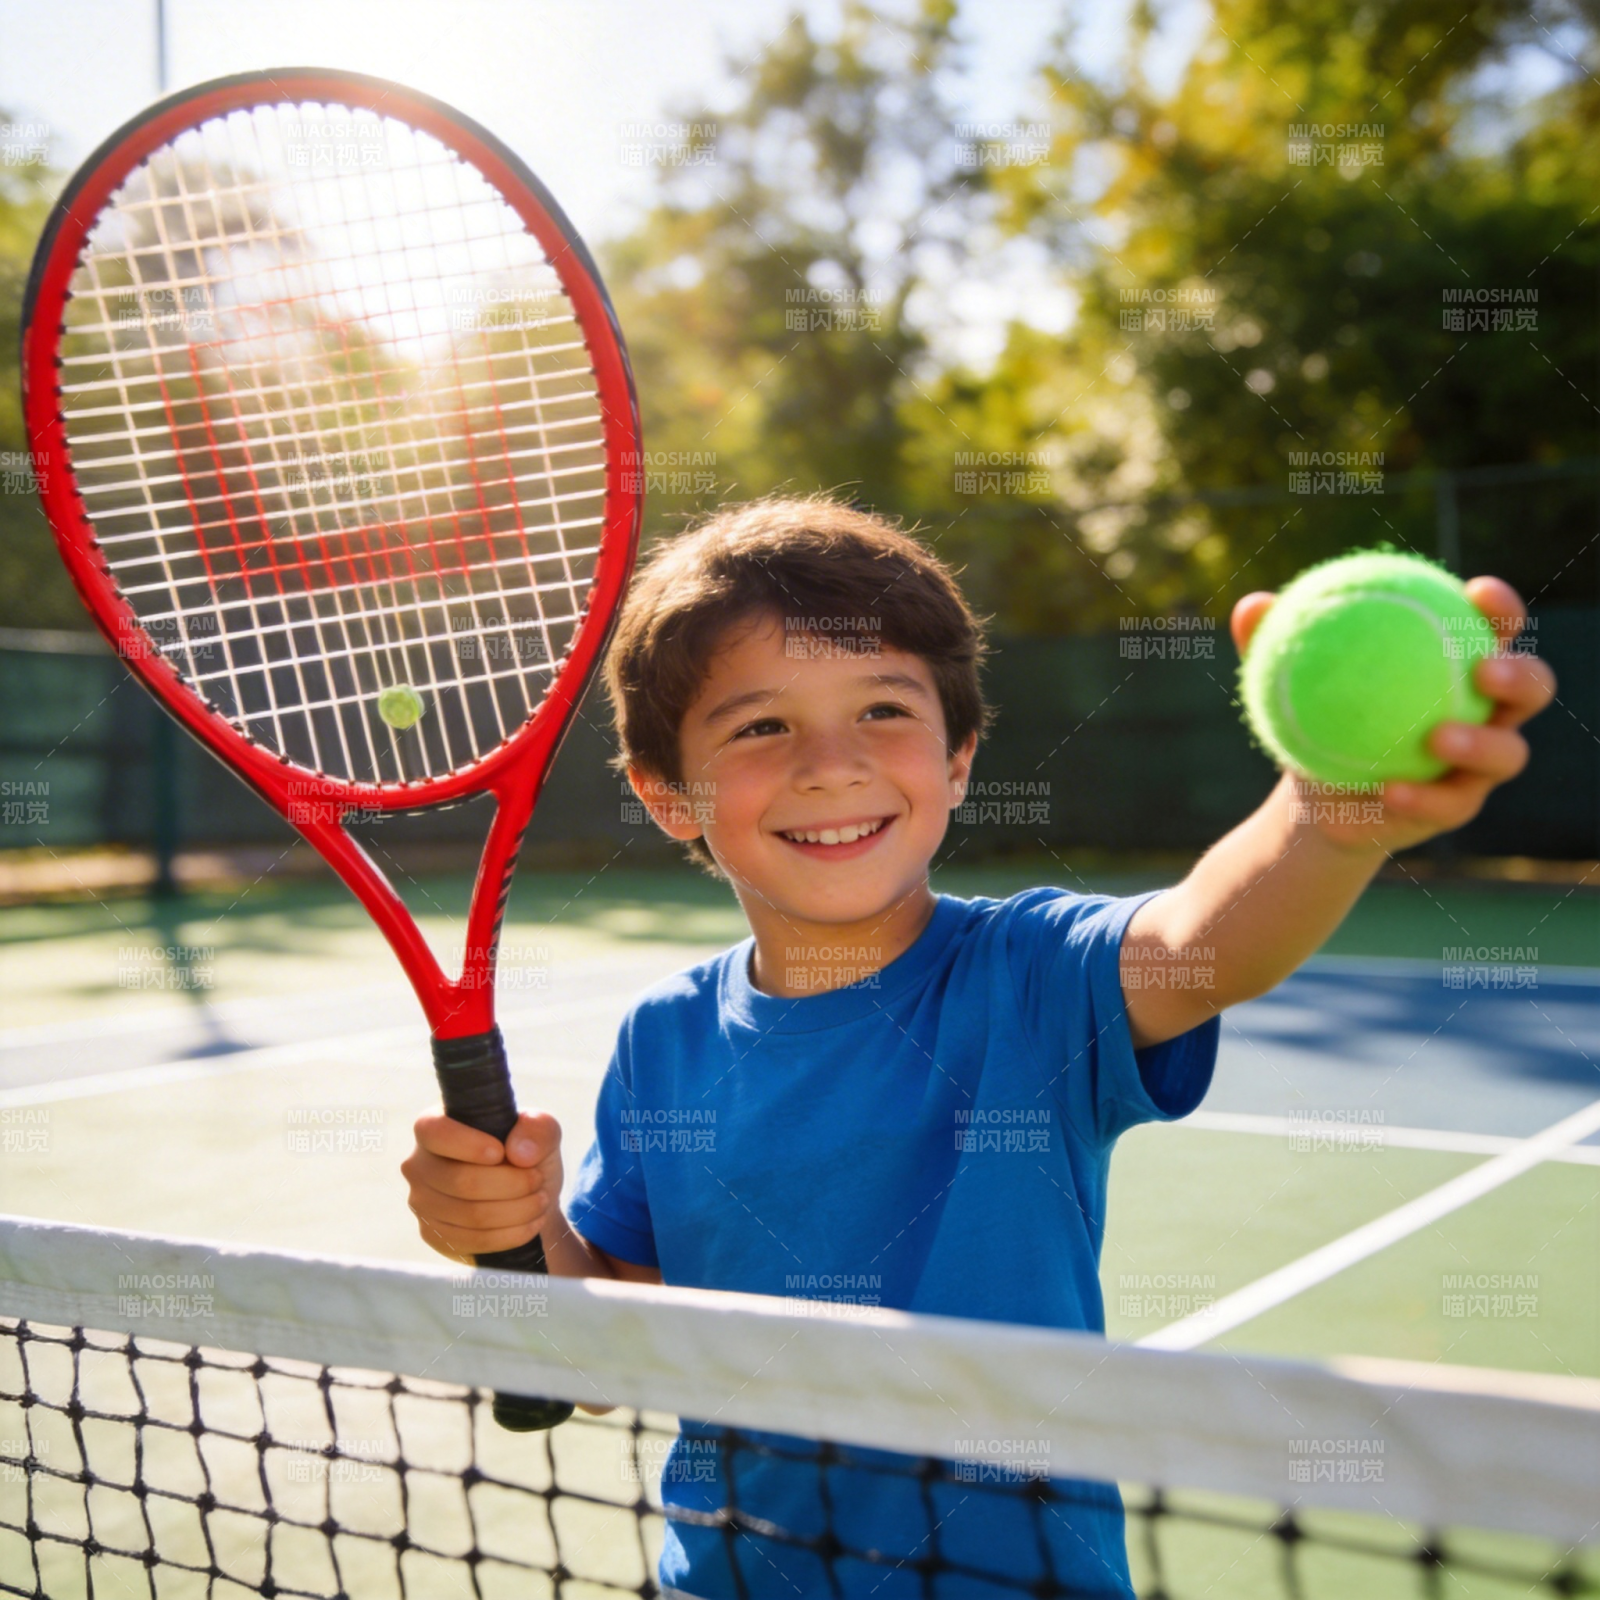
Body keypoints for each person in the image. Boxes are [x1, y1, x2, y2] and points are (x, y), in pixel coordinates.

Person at [402, 495, 1554, 1596]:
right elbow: (605, 1338)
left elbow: (1208, 939)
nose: (830, 762)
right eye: (761, 726)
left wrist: (1333, 813)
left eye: (884, 710)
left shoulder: (1033, 977)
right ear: (666, 795)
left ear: (957, 760)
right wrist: (518, 1231)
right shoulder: (662, 1040)